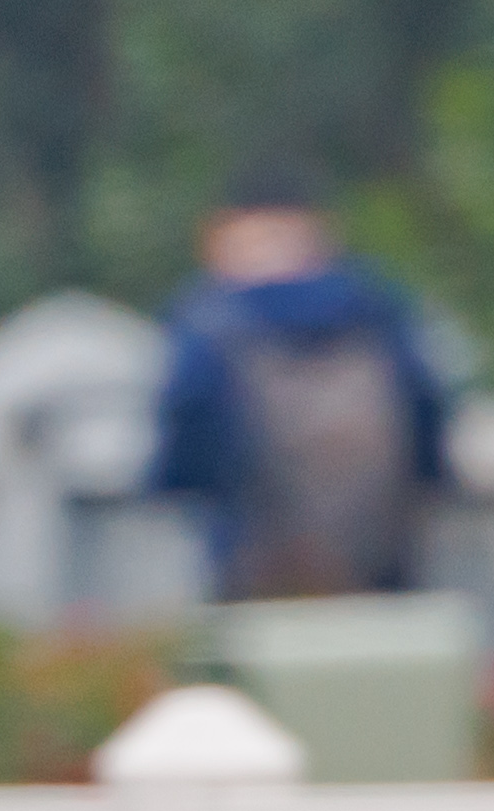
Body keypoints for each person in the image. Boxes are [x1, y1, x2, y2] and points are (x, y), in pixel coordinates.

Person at [148, 158, 457, 605]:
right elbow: (429, 415)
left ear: (220, 234)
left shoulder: (209, 318)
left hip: (255, 565)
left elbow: (185, 441)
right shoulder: (377, 306)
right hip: (380, 562)